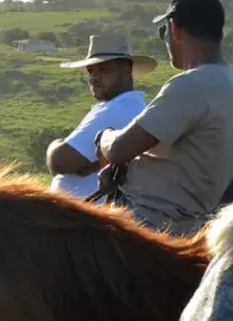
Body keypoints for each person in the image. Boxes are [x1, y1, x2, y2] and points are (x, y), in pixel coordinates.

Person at [94, 0, 233, 236]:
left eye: (163, 31)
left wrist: (104, 137)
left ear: (175, 29)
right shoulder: (230, 83)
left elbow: (119, 148)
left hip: (148, 222)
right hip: (189, 224)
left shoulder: (193, 84)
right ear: (222, 36)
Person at [47, 35, 154, 201]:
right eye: (91, 71)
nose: (94, 77)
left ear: (126, 71)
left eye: (103, 69)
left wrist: (56, 144)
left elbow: (59, 161)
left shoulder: (117, 109)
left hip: (84, 216)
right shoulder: (129, 106)